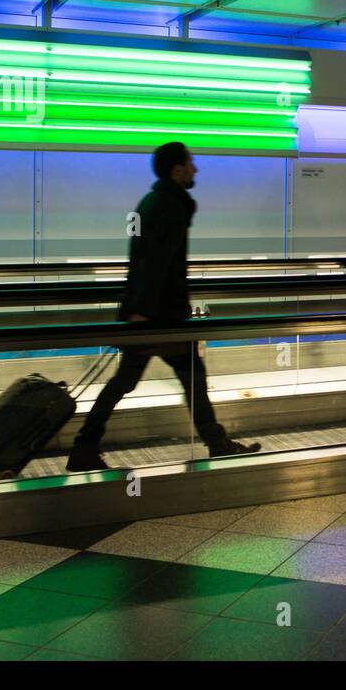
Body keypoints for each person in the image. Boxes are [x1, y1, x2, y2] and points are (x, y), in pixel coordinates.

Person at [67, 142, 260, 472]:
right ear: (176, 169)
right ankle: (216, 444)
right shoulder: (169, 205)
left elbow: (145, 261)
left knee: (140, 380)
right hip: (159, 317)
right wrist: (143, 312)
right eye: (190, 163)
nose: (195, 169)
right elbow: (156, 263)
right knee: (182, 379)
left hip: (152, 313)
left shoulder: (156, 201)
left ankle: (85, 446)